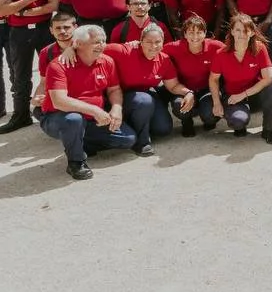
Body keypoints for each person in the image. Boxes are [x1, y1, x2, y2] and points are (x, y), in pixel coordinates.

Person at [38, 24, 137, 179]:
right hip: (58, 116)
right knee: (74, 119)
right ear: (78, 44)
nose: (102, 45)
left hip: (92, 119)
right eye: (96, 42)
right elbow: (59, 101)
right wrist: (95, 110)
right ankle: (76, 162)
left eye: (103, 41)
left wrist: (116, 108)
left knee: (128, 139)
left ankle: (78, 142)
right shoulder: (58, 65)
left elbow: (114, 89)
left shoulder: (107, 61)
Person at [0, 0, 60, 134]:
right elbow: (0, 10)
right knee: (20, 75)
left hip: (44, 30)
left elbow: (53, 5)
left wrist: (21, 11)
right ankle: (21, 115)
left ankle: (56, 109)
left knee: (54, 71)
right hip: (19, 32)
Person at [209, 13, 272, 144]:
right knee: (238, 121)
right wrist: (217, 102)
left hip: (253, 94)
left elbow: (269, 78)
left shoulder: (259, 48)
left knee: (271, 91)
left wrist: (243, 94)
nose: (242, 34)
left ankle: (268, 130)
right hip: (232, 96)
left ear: (252, 33)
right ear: (232, 31)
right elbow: (213, 79)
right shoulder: (221, 54)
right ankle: (240, 124)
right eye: (238, 30)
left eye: (246, 30)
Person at [103, 24, 174, 155]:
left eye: (157, 42)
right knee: (144, 100)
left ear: (163, 42)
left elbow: (173, 85)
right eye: (149, 42)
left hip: (144, 96)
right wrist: (70, 49)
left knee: (163, 129)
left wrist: (188, 93)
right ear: (140, 41)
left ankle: (133, 123)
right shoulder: (125, 51)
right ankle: (142, 142)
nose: (153, 46)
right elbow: (92, 47)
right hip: (120, 95)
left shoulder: (164, 59)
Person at [162, 15, 225, 136]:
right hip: (183, 89)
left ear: (205, 33)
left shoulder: (215, 46)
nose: (195, 37)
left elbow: (233, 52)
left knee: (210, 115)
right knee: (179, 105)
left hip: (207, 89)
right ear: (185, 34)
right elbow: (154, 51)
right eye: (191, 33)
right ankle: (187, 122)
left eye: (199, 32)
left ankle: (209, 120)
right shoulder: (174, 47)